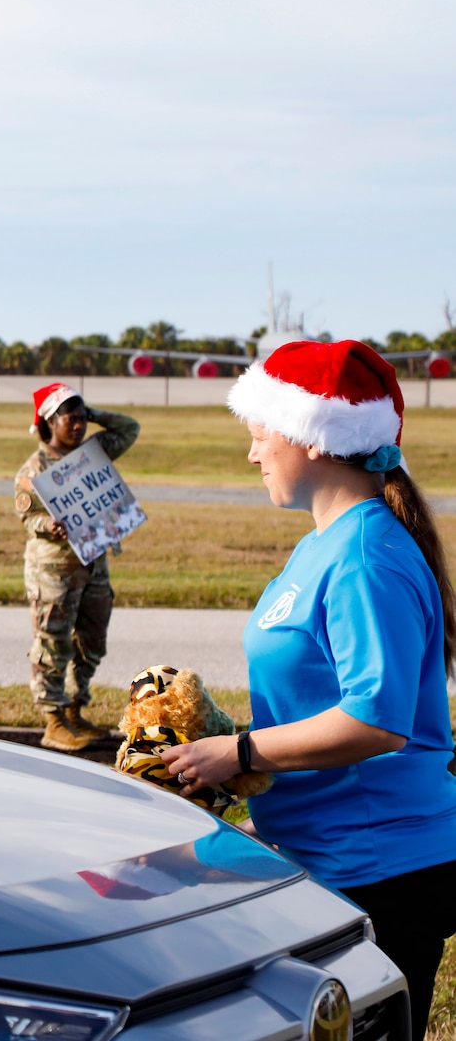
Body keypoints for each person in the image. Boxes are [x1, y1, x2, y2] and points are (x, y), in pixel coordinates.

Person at [162, 340, 456, 1040]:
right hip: (325, 849)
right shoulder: (325, 543)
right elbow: (315, 703)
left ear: (313, 438)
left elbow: (376, 724)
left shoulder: (365, 556)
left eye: (261, 434)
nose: (253, 453)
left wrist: (238, 752)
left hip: (379, 864)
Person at [14, 384, 140, 752]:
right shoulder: (33, 469)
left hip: (93, 563)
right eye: (71, 418)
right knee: (53, 642)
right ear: (49, 421)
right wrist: (47, 525)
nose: (80, 425)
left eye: (83, 418)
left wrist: (95, 411)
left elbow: (129, 429)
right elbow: (27, 515)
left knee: (92, 640)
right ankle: (54, 720)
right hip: (54, 570)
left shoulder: (92, 454)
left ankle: (75, 708)